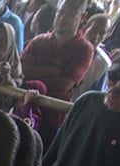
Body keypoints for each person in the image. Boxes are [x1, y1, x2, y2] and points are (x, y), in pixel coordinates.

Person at [21, 0, 94, 145]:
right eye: (60, 12)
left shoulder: (84, 49)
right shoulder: (38, 41)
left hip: (51, 117)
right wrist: (51, 71)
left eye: (71, 14)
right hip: (25, 110)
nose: (62, 18)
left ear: (82, 17)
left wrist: (35, 73)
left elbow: (65, 84)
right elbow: (21, 70)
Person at [72, 13, 111, 100]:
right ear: (85, 28)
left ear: (106, 36)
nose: (96, 36)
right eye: (93, 30)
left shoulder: (103, 64)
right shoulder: (70, 46)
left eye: (102, 33)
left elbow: (96, 97)